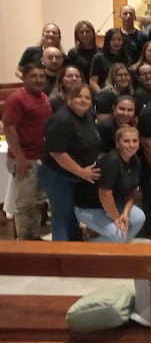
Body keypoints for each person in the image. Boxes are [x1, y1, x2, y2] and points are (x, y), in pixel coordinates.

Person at [38, 84, 101, 241]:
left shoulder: (88, 115)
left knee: (73, 215)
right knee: (62, 215)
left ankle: (74, 250)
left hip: (78, 175)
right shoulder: (61, 119)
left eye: (87, 97)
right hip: (58, 175)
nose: (83, 100)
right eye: (79, 96)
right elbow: (57, 153)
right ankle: (61, 255)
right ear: (69, 97)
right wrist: (81, 171)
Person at [2, 64, 52, 240]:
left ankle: (34, 237)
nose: (39, 79)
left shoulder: (43, 97)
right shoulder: (17, 99)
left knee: (37, 202)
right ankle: (23, 241)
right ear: (24, 78)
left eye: (41, 76)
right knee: (25, 204)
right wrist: (20, 158)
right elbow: (9, 128)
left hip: (40, 157)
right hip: (25, 159)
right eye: (34, 76)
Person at [73, 125, 145, 242]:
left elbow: (132, 191)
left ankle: (117, 251)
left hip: (114, 204)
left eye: (135, 141)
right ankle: (88, 248)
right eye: (126, 141)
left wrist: (125, 214)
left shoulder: (135, 161)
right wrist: (116, 218)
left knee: (139, 218)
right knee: (118, 234)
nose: (131, 145)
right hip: (90, 207)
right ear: (117, 143)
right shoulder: (111, 161)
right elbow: (105, 194)